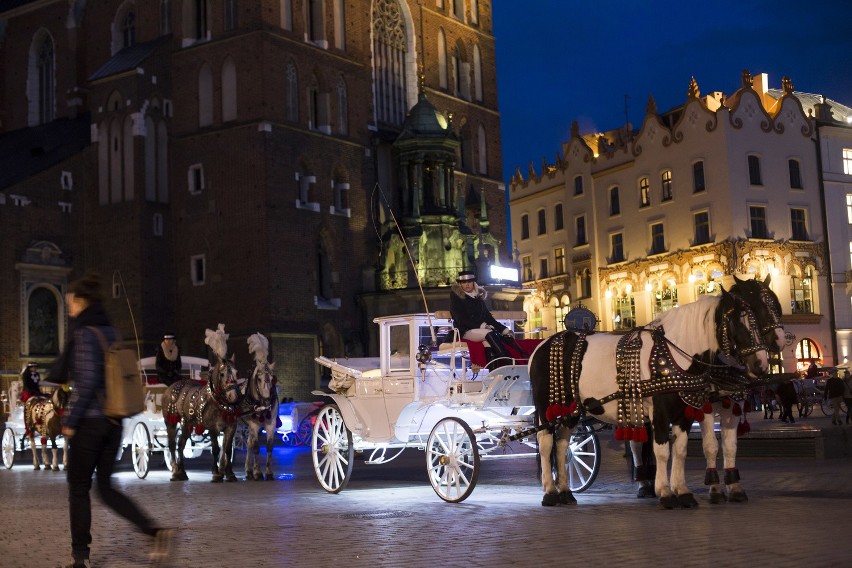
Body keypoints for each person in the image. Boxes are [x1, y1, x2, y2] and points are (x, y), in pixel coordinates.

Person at [57, 274, 174, 568]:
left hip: (90, 422)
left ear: (81, 302)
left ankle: (80, 557)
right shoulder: (111, 330)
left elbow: (86, 381)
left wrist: (70, 419)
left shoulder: (84, 333)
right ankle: (154, 531)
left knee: (78, 487)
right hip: (114, 421)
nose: (68, 306)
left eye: (71, 301)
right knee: (106, 488)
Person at [449, 270, 513, 369]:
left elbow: (489, 318)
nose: (467, 285)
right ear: (460, 284)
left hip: (480, 330)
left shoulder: (478, 297)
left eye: (469, 282)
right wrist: (482, 325)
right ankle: (509, 363)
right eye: (464, 282)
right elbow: (461, 319)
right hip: (465, 330)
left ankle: (493, 374)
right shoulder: (456, 297)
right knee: (489, 334)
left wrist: (504, 330)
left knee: (489, 343)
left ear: (473, 283)